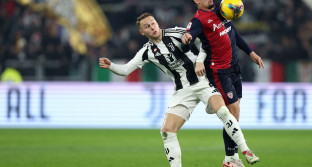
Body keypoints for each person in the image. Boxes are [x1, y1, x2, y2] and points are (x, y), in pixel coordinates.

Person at [99, 12, 259, 167]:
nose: (152, 27)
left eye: (153, 23)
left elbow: (205, 42)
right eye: (147, 27)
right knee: (167, 131)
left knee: (224, 112)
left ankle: (245, 150)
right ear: (142, 32)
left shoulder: (177, 32)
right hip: (183, 91)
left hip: (203, 82)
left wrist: (200, 61)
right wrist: (111, 66)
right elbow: (126, 69)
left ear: (157, 22)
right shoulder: (147, 51)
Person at [182, 0, 264, 166]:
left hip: (234, 67)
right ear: (196, 1)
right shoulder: (198, 20)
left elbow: (233, 32)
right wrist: (187, 40)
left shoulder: (222, 10)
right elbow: (188, 45)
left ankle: (231, 158)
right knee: (234, 111)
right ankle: (231, 159)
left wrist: (250, 52)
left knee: (234, 115)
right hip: (219, 71)